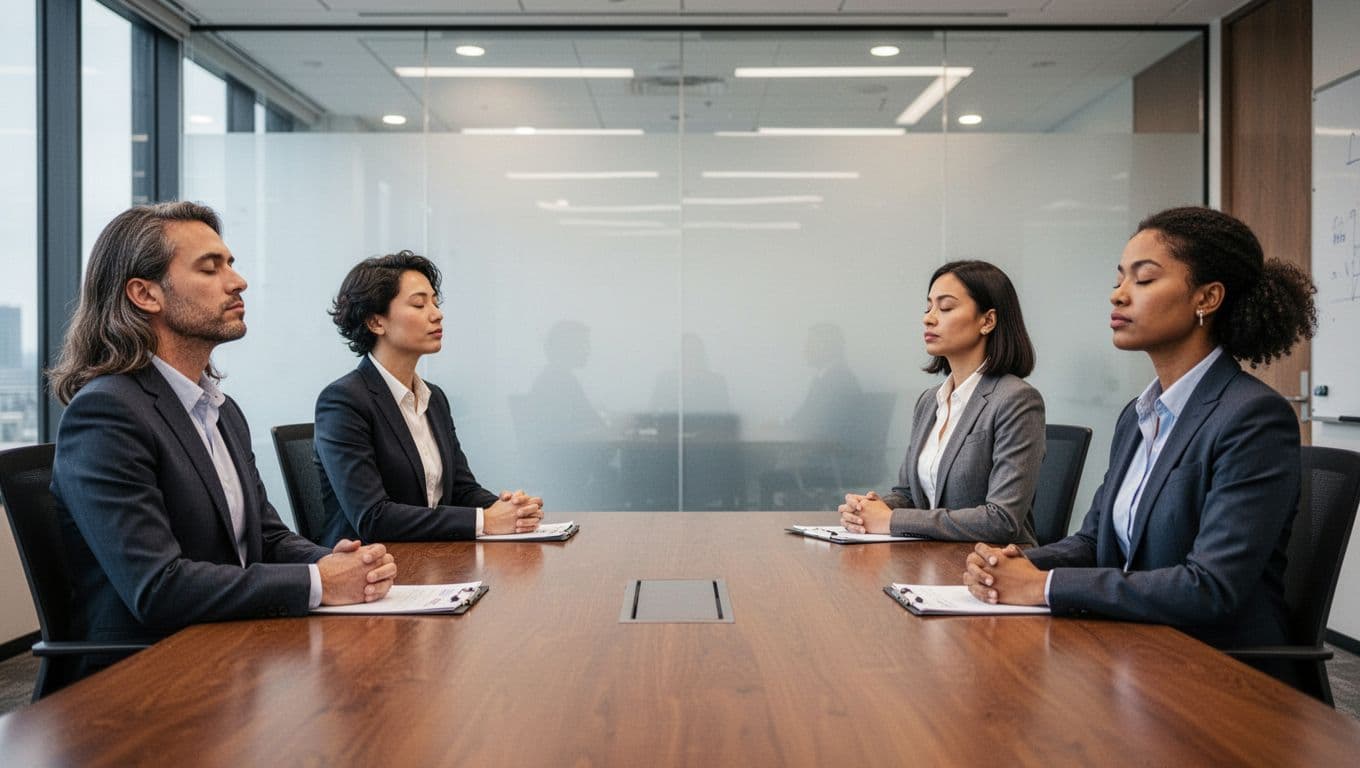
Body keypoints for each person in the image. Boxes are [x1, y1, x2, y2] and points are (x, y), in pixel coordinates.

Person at [48, 202, 396, 680]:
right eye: (210, 268)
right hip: (144, 682)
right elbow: (159, 587)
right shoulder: (106, 413)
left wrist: (342, 564)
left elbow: (266, 539)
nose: (238, 281)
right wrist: (317, 581)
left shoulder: (221, 411)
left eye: (230, 264)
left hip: (229, 655)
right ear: (145, 294)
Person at [963, 206, 1317, 654]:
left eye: (1144, 280)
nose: (1118, 295)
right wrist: (1011, 562)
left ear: (1206, 298)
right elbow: (1095, 542)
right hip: (1133, 645)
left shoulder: (1253, 418)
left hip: (1214, 666)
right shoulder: (1138, 414)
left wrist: (1043, 585)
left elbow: (1209, 586)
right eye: (1118, 280)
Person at [315, 251, 543, 545]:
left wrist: (508, 510)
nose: (437, 313)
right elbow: (373, 518)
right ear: (376, 322)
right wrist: (485, 521)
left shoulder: (434, 398)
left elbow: (461, 490)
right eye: (419, 304)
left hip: (435, 558)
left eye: (435, 302)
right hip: (375, 570)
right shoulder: (343, 401)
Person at [840, 260, 1045, 544]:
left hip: (989, 568)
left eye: (945, 308)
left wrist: (891, 520)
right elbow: (909, 494)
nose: (929, 318)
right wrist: (872, 508)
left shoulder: (1016, 399)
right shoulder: (929, 401)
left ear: (987, 321)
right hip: (932, 557)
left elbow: (1001, 519)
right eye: (928, 308)